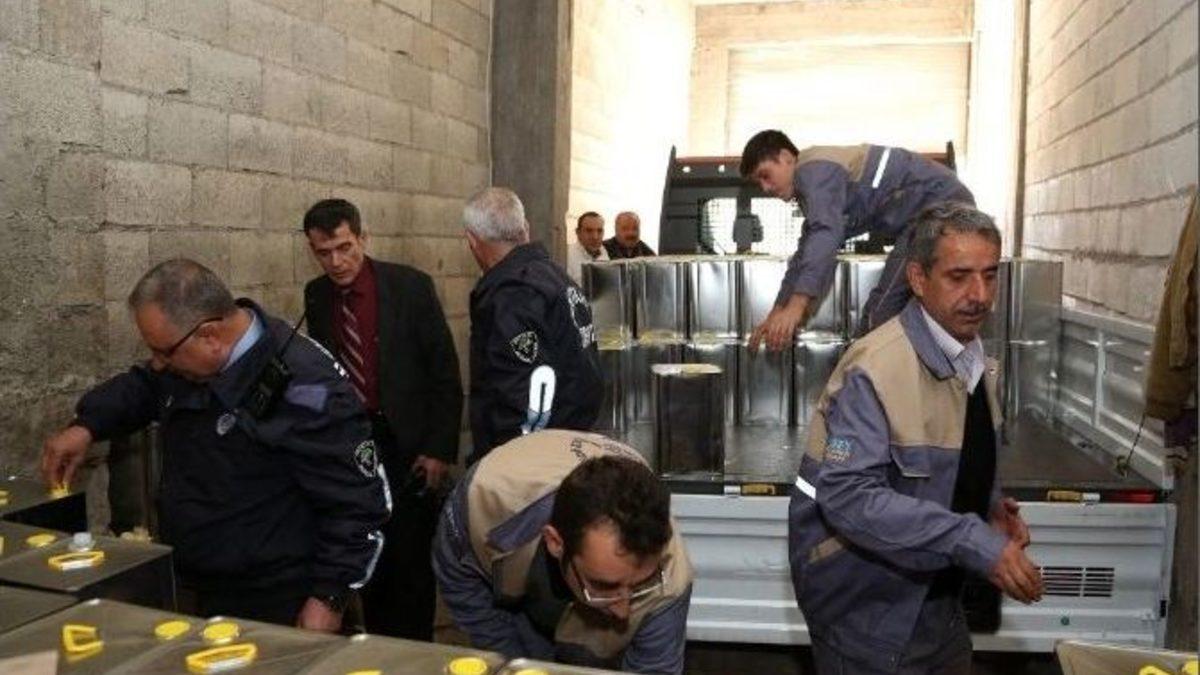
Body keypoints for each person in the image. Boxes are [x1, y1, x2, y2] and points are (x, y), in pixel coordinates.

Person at [40, 259, 389, 632]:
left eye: (163, 351)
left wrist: (329, 597)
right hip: (199, 585)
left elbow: (357, 503)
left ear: (209, 335)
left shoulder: (308, 387)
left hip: (276, 599)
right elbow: (145, 385)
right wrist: (87, 425)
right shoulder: (187, 362)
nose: (158, 363)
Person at [788, 203, 1043, 674]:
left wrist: (988, 507)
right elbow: (847, 495)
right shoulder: (875, 368)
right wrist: (969, 537)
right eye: (959, 277)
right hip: (869, 611)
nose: (979, 295)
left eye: (990, 276)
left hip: (939, 598)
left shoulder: (972, 358)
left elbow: (951, 457)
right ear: (918, 279)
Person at [302, 198, 463, 640]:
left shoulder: (409, 286)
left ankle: (415, 652)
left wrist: (438, 449)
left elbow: (444, 372)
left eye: (344, 248)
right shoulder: (316, 296)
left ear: (362, 238)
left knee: (410, 561)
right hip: (355, 446)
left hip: (409, 446)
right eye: (324, 253)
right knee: (368, 555)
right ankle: (377, 646)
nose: (336, 262)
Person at [433, 429, 693, 673]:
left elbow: (654, 668)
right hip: (512, 574)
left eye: (640, 585)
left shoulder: (671, 576)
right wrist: (512, 662)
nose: (623, 612)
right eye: (604, 586)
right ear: (555, 542)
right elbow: (462, 584)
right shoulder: (483, 502)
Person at [740, 130, 975, 351]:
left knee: (880, 315)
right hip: (938, 208)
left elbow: (825, 234)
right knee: (899, 315)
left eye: (765, 175)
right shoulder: (814, 184)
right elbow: (806, 250)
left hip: (939, 207)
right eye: (759, 182)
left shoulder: (811, 171)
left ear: (786, 157)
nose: (765, 187)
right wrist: (778, 310)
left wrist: (796, 306)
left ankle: (873, 377)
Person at [462, 187, 602, 462]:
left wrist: (510, 463)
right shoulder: (555, 277)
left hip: (532, 460)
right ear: (525, 228)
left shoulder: (512, 295)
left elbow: (520, 392)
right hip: (570, 443)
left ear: (472, 241)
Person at [566, 211, 609, 284]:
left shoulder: (603, 252)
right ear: (578, 232)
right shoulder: (567, 256)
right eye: (589, 231)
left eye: (599, 231)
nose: (595, 237)